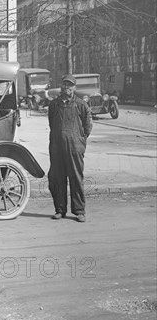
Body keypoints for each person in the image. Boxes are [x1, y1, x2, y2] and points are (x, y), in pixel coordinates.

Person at [48, 74, 93, 222]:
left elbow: (88, 126)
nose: (67, 87)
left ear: (74, 87)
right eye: (65, 84)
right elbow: (51, 123)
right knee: (57, 179)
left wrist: (80, 140)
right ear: (61, 86)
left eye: (70, 85)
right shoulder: (54, 104)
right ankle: (60, 210)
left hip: (75, 148)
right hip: (57, 147)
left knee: (76, 178)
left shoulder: (81, 104)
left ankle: (79, 211)